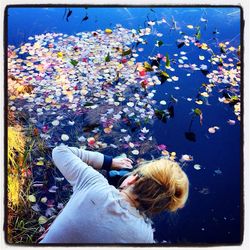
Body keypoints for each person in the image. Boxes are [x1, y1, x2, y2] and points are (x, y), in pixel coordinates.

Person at [39, 144, 189, 244]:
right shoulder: (145, 237)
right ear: (157, 206)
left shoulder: (93, 184)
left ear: (133, 180)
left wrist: (109, 162)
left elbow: (60, 151)